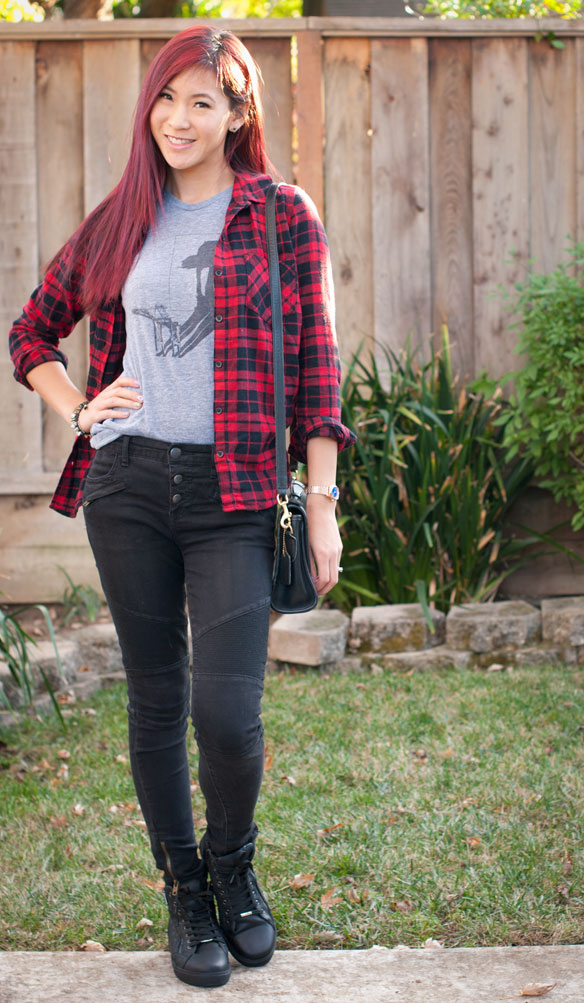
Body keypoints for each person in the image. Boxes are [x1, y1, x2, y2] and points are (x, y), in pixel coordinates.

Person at [9, 25, 355, 990]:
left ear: (239, 114)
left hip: (236, 488)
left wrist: (320, 504)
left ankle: (235, 864)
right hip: (127, 487)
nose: (179, 118)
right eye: (167, 98)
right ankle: (186, 888)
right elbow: (33, 330)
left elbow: (318, 371)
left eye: (204, 101)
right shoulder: (125, 215)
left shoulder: (283, 215)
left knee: (227, 712)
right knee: (158, 697)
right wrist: (81, 408)